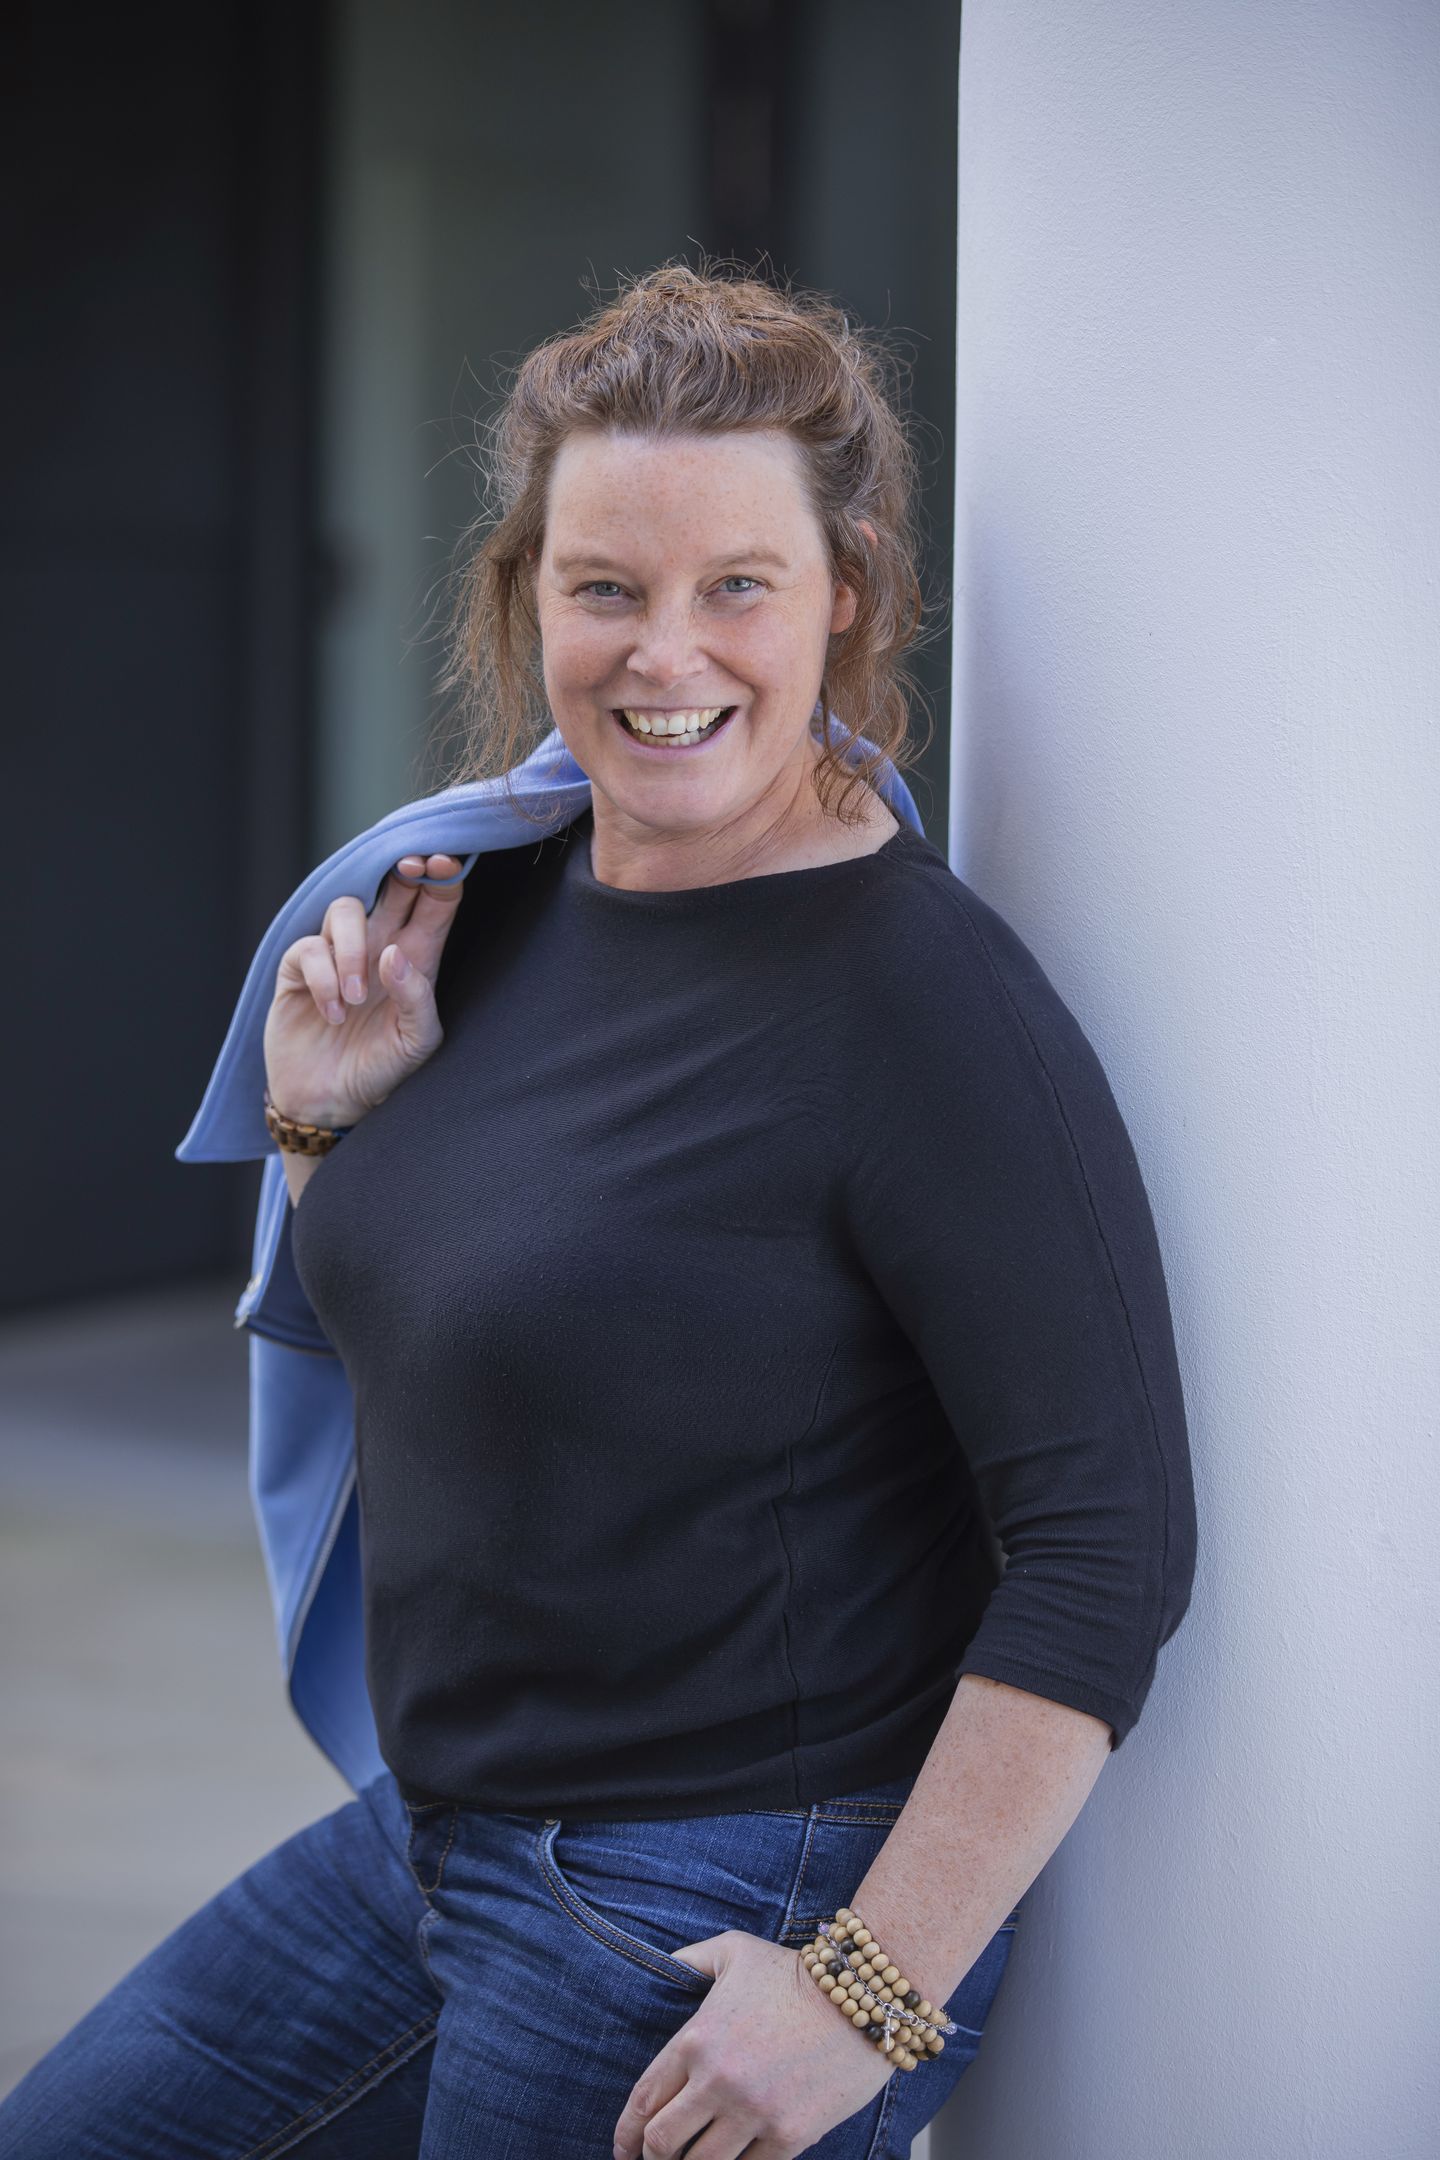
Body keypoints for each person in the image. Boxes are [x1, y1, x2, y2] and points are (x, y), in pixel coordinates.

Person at [0, 263, 1197, 2159]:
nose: (667, 654)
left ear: (846, 593)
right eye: (607, 588)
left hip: (721, 1890)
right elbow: (457, 1334)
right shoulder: (486, 905)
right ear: (526, 595)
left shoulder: (921, 1003)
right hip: (440, 1834)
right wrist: (322, 1131)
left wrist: (868, 1997)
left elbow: (1107, 1545)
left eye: (739, 586)